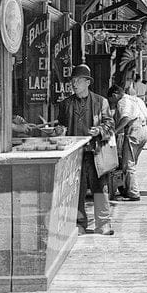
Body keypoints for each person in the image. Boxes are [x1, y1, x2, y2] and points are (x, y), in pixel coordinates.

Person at [56, 64, 115, 236]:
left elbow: (110, 124)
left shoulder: (100, 101)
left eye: (78, 81)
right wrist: (60, 130)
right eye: (73, 81)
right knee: (76, 190)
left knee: (100, 188)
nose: (74, 84)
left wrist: (100, 130)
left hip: (96, 152)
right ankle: (79, 223)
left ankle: (103, 223)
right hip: (75, 154)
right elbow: (61, 126)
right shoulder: (65, 104)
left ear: (87, 82)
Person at [107, 84, 147, 202]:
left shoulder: (122, 101)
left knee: (128, 164)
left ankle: (133, 193)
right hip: (143, 130)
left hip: (134, 130)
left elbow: (126, 118)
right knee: (131, 162)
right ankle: (127, 188)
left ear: (115, 95)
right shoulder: (135, 99)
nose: (112, 104)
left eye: (111, 100)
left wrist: (114, 132)